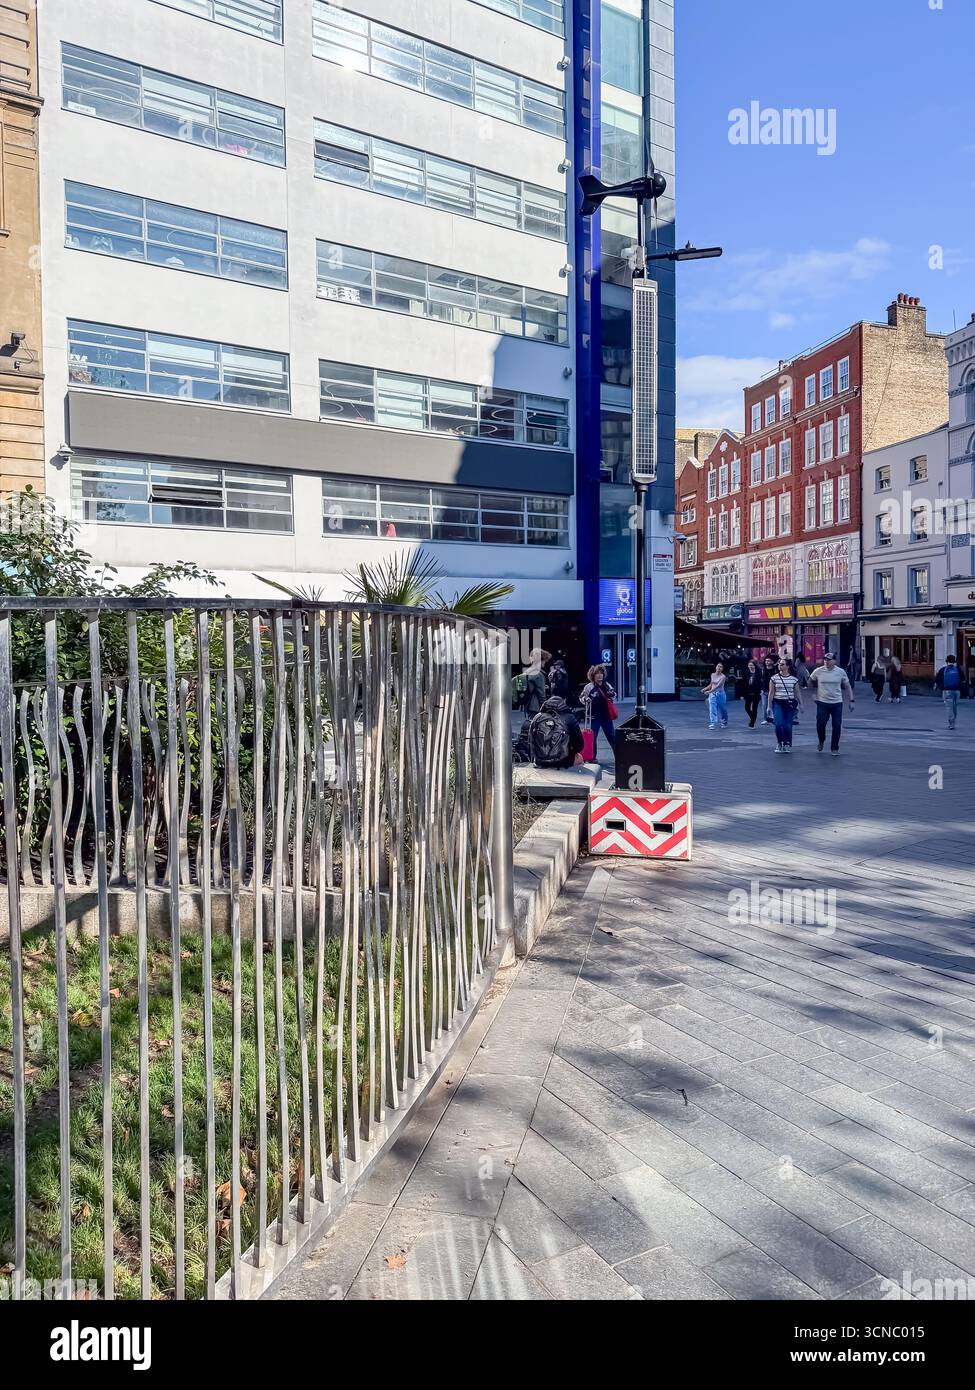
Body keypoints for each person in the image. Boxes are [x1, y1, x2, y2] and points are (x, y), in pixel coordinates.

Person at [808, 651, 855, 756]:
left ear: (834, 661)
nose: (826, 661)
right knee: (821, 725)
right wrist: (812, 694)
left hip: (837, 703)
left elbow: (848, 686)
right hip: (822, 702)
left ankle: (834, 747)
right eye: (825, 659)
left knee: (837, 725)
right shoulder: (818, 671)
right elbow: (810, 681)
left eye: (829, 660)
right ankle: (821, 740)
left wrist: (851, 700)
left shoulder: (840, 672)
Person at [529, 695, 584, 769]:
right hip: (563, 761)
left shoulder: (537, 717)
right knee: (580, 758)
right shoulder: (569, 718)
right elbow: (579, 746)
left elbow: (530, 741)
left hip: (540, 761)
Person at [768, 656, 803, 753]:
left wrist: (801, 704)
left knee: (788, 724)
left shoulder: (793, 679)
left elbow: (797, 692)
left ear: (788, 666)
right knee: (778, 723)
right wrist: (769, 706)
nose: (780, 666)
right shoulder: (773, 679)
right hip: (778, 702)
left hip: (789, 703)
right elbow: (771, 693)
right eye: (779, 664)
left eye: (782, 664)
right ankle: (780, 742)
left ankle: (787, 743)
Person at [580, 664, 617, 753]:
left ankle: (619, 756)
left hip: (606, 716)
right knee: (593, 736)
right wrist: (586, 699)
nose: (600, 675)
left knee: (611, 736)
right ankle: (592, 757)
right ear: (593, 675)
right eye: (597, 673)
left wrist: (612, 695)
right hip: (594, 716)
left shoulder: (607, 685)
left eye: (601, 673)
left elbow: (614, 696)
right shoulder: (589, 687)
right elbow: (581, 697)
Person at [935, 654, 964, 730]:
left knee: (949, 707)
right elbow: (963, 679)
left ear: (947, 661)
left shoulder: (943, 669)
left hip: (947, 691)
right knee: (954, 707)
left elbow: (937, 680)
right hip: (957, 691)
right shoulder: (958, 669)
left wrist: (936, 686)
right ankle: (953, 720)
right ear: (954, 661)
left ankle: (951, 723)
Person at [522, 647, 550, 716]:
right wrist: (546, 708)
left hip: (529, 704)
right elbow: (541, 695)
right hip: (536, 706)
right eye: (545, 660)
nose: (545, 663)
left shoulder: (529, 671)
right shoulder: (538, 674)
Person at [702, 661, 729, 730]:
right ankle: (712, 723)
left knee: (723, 709)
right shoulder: (712, 675)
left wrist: (709, 691)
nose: (719, 668)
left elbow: (717, 686)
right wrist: (705, 689)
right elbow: (711, 684)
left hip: (720, 694)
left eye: (721, 667)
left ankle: (724, 722)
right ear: (716, 667)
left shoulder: (723, 677)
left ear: (722, 669)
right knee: (712, 708)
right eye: (718, 666)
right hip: (713, 695)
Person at [742, 659, 764, 728]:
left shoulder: (759, 673)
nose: (750, 666)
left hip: (756, 693)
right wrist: (742, 694)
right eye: (749, 665)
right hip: (748, 693)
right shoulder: (746, 673)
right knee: (747, 708)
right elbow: (743, 683)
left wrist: (761, 690)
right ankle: (753, 718)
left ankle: (752, 723)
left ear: (755, 666)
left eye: (752, 665)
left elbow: (761, 682)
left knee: (754, 708)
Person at [761, 655, 778, 722]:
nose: (767, 662)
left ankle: (774, 718)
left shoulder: (775, 670)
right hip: (764, 691)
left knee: (774, 705)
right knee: (764, 705)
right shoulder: (763, 670)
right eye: (766, 661)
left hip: (774, 691)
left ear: (772, 662)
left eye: (768, 661)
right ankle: (766, 719)